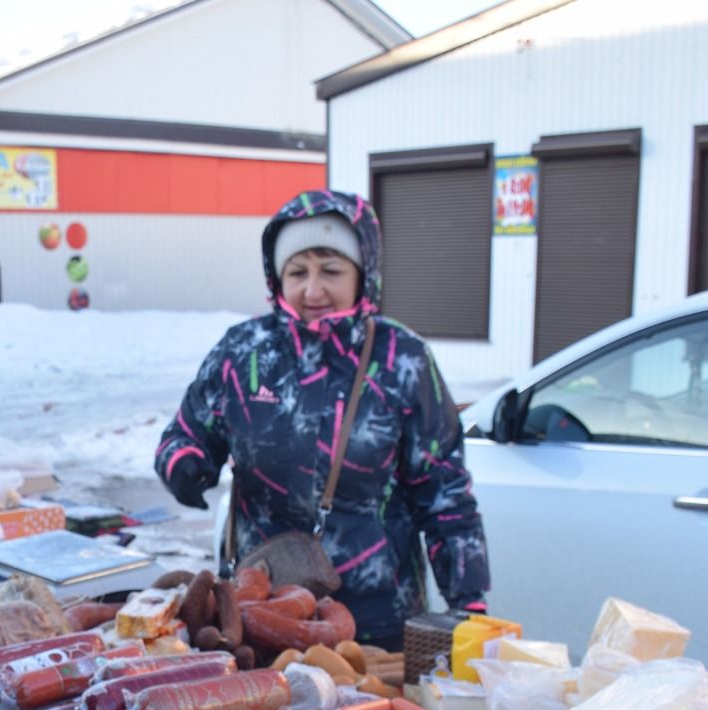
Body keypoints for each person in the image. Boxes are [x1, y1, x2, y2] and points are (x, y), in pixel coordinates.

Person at [155, 189, 489, 647]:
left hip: (377, 620)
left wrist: (467, 604)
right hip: (259, 610)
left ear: (362, 275)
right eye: (297, 272)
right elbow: (187, 433)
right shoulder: (243, 352)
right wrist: (185, 464)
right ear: (277, 278)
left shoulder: (403, 361)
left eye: (331, 271)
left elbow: (445, 495)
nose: (313, 290)